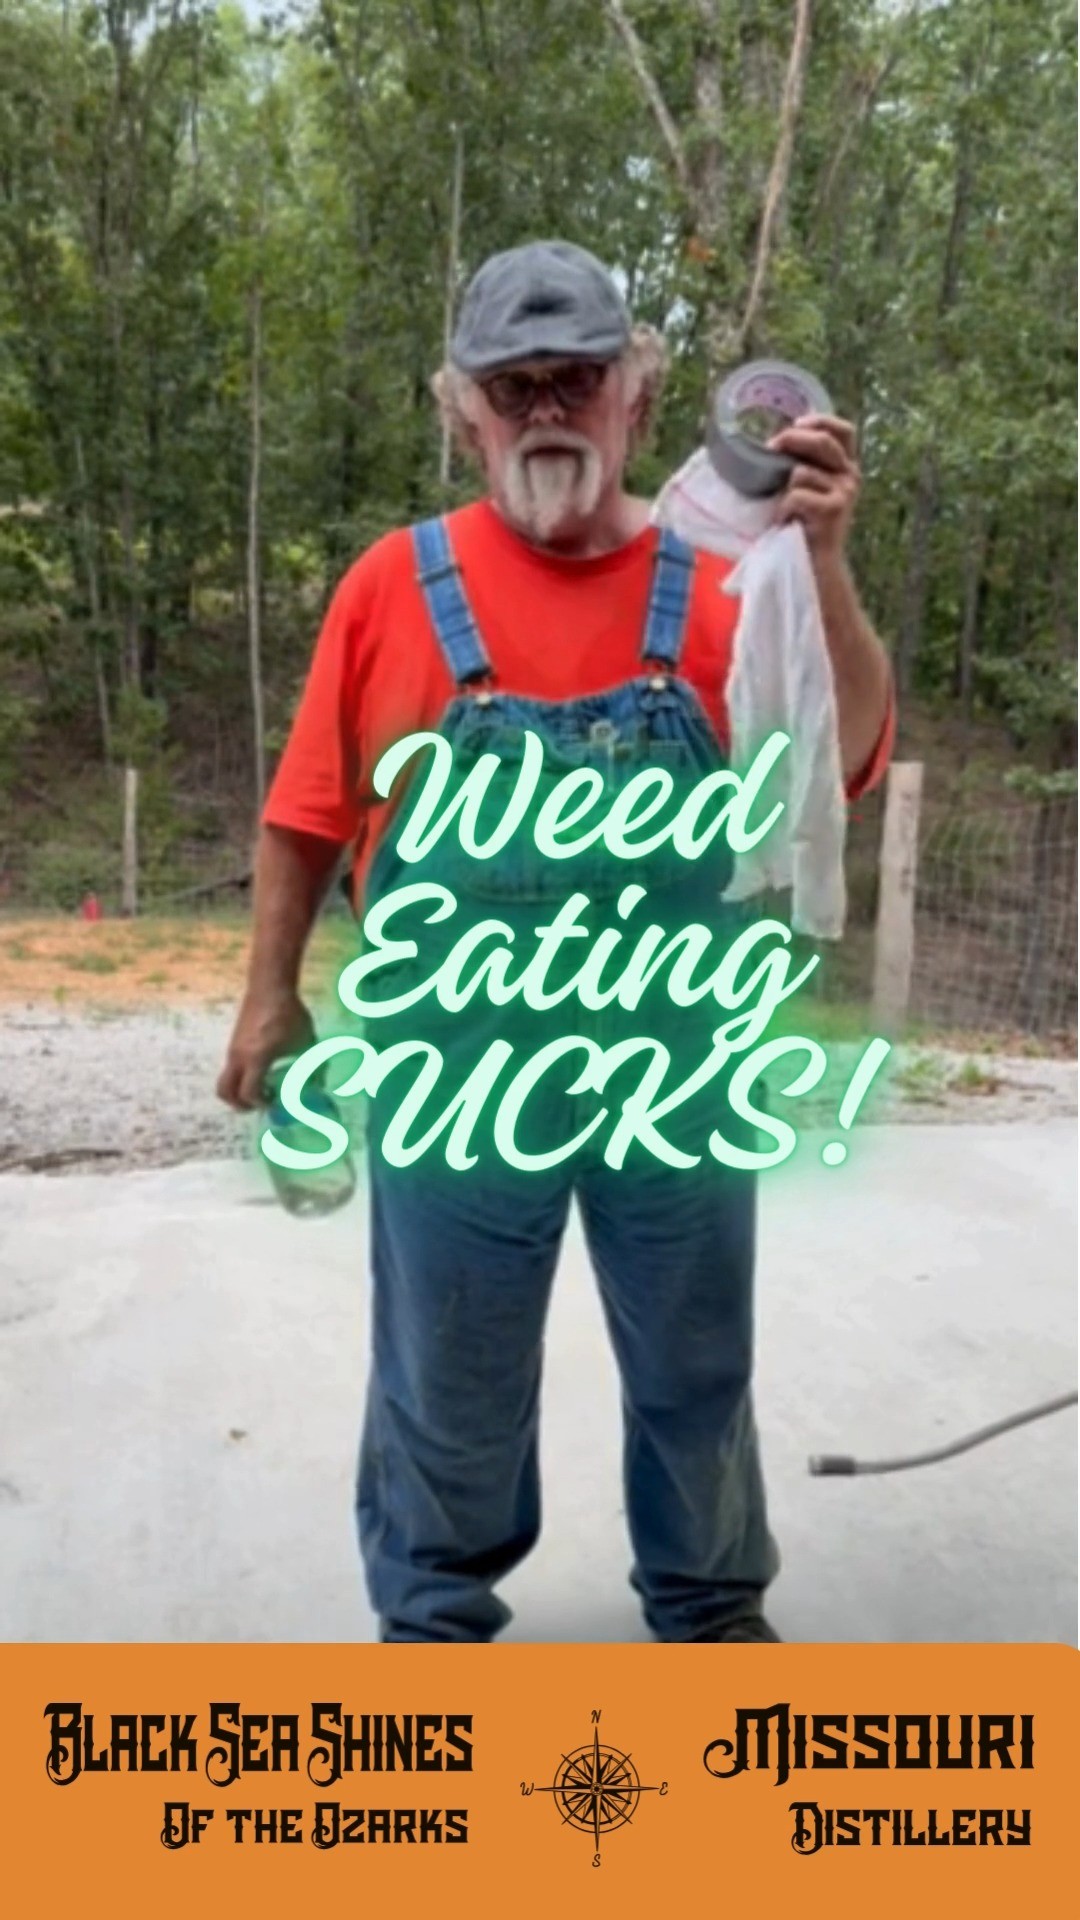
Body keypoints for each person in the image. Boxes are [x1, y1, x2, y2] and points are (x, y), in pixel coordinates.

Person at [216, 240, 894, 1643]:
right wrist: (268, 997)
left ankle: (710, 1609)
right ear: (461, 409)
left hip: (674, 1067)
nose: (544, 408)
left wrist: (821, 561)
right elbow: (304, 813)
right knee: (445, 1373)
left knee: (696, 1368)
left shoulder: (732, 579)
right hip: (458, 1068)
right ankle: (434, 1619)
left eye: (574, 378)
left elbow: (851, 752)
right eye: (510, 385)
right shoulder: (389, 588)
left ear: (636, 398)